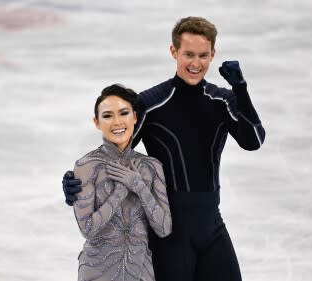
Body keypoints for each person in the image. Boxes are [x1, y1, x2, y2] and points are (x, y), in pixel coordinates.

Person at [63, 16, 265, 281]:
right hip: (169, 234)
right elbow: (116, 152)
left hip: (211, 225)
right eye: (188, 54)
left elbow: (254, 141)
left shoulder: (222, 100)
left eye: (203, 55)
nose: (196, 63)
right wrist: (78, 184)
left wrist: (240, 89)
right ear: (174, 52)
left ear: (213, 54)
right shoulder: (152, 103)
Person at [71, 84, 172, 281]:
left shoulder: (151, 167)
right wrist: (118, 194)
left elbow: (164, 228)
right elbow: (88, 229)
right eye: (108, 115)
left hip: (141, 270)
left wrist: (139, 187)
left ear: (134, 117)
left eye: (123, 113)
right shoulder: (87, 166)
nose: (117, 122)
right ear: (97, 122)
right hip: (97, 271)